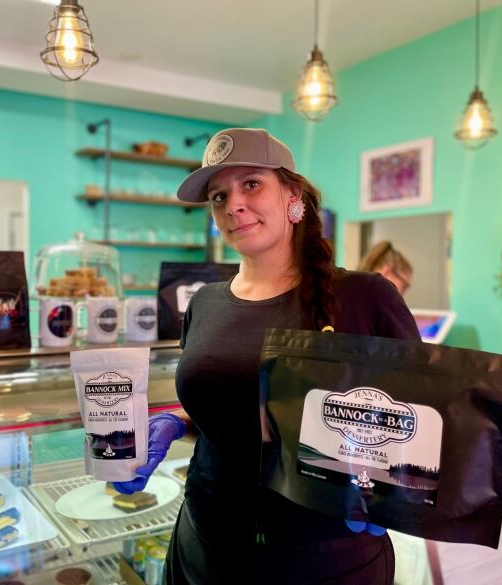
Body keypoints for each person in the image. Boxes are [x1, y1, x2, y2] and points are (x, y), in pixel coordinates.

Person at [114, 128, 420, 584]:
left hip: (327, 557)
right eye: (218, 196)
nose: (232, 204)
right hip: (205, 546)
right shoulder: (206, 303)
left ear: (292, 194)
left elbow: (414, 423)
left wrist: (397, 490)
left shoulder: (365, 297)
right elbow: (237, 401)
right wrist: (178, 421)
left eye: (251, 184)